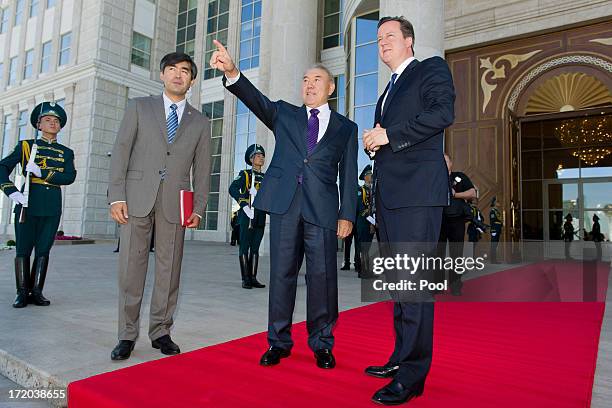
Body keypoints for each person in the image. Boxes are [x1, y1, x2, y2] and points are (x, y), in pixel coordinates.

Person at [211, 40, 358, 370]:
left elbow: (348, 174)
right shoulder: (285, 114)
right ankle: (278, 342)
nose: (309, 85)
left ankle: (322, 343)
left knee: (322, 278)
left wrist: (347, 213)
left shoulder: (345, 128)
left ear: (331, 87)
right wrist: (233, 71)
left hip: (321, 211)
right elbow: (256, 100)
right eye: (305, 80)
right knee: (281, 275)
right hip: (284, 207)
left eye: (316, 80)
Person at [361, 16, 455, 405]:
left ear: (409, 41)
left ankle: (413, 377)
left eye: (390, 36)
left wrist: (389, 135)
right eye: (378, 38)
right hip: (390, 196)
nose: (382, 42)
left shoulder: (429, 69)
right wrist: (375, 145)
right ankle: (401, 358)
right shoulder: (387, 90)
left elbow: (441, 114)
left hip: (417, 195)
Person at [108, 52, 211, 361]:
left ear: (192, 80)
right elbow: (121, 151)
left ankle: (161, 331)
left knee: (169, 268)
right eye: (171, 69)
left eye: (184, 71)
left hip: (175, 203)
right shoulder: (139, 107)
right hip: (136, 198)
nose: (178, 75)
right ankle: (127, 335)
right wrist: (116, 196)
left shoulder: (201, 122)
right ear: (163, 75)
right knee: (131, 267)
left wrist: (199, 207)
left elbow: (203, 169)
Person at [0, 102, 76, 308]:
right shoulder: (26, 146)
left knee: (43, 249)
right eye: (48, 120)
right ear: (38, 125)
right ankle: (22, 292)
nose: (52, 123)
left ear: (60, 127)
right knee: (23, 249)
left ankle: (37, 291)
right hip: (28, 203)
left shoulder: (66, 152)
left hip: (51, 205)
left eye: (56, 121)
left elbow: (70, 176)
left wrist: (43, 173)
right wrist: (12, 191)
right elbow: (2, 168)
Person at [436, 154, 476, 295]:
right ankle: (437, 286)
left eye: (445, 160)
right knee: (437, 254)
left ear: (451, 163)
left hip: (457, 221)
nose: (443, 163)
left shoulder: (460, 177)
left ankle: (455, 286)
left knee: (456, 254)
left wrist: (455, 195)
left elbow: (473, 193)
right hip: (439, 221)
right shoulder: (434, 179)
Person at [229, 143, 267, 289]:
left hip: (260, 216)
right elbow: (232, 188)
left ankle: (253, 277)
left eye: (262, 156)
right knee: (244, 247)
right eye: (258, 156)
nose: (261, 158)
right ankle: (245, 278)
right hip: (247, 215)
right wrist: (243, 204)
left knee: (255, 248)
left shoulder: (265, 177)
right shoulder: (245, 174)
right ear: (251, 159)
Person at [356, 165, 375, 278]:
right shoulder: (360, 190)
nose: (371, 176)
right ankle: (363, 271)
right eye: (369, 175)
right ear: (365, 177)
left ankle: (368, 270)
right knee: (363, 248)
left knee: (367, 248)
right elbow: (360, 208)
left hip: (371, 223)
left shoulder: (372, 190)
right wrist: (370, 220)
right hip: (363, 222)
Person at [489, 197, 503, 263]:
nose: (499, 203)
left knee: (495, 245)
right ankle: (493, 260)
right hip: (494, 230)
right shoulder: (493, 211)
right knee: (493, 245)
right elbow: (493, 221)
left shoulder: (497, 211)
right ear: (494, 203)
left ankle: (494, 259)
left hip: (497, 229)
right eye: (497, 201)